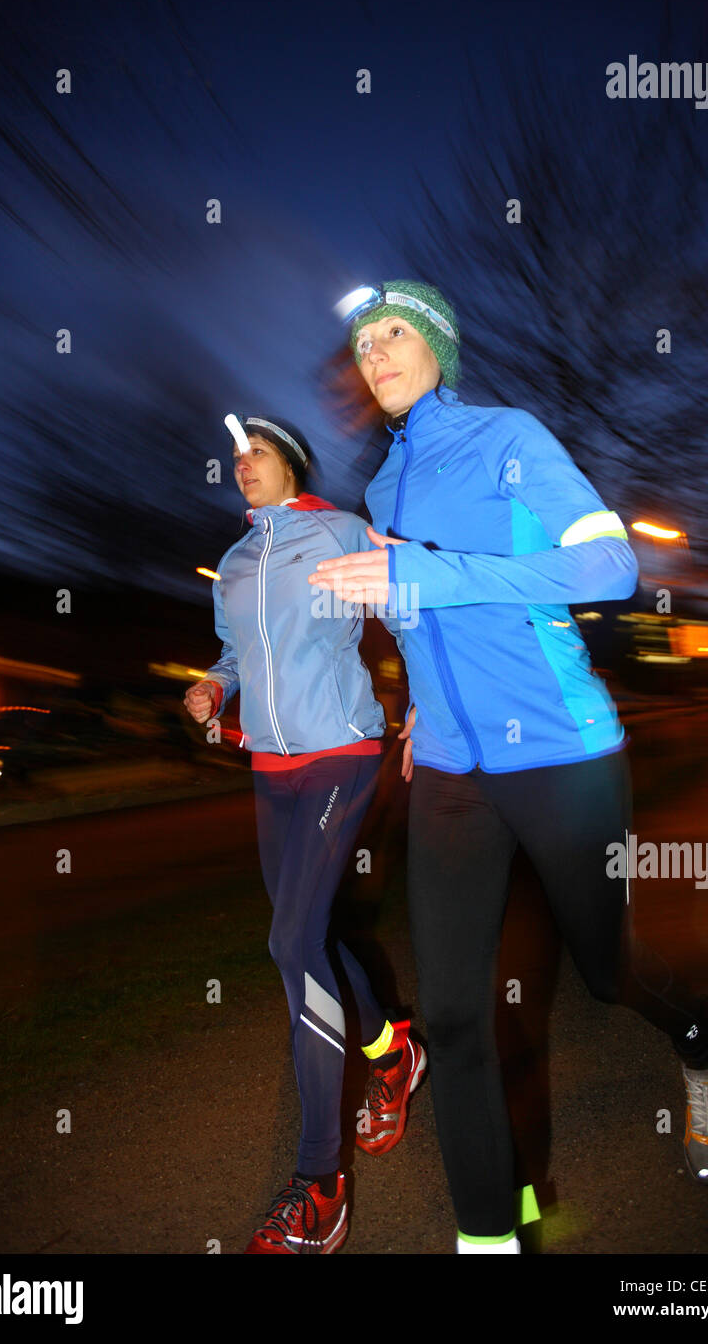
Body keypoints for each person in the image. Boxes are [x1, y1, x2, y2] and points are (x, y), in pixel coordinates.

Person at [310, 280, 708, 1255]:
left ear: (437, 346)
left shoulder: (507, 438)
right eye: (361, 342)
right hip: (456, 777)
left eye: (394, 333)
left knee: (605, 972)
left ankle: (700, 1039)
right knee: (457, 1020)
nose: (374, 353)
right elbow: (421, 613)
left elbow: (606, 567)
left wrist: (425, 574)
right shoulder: (378, 491)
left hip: (560, 751)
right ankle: (492, 1240)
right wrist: (421, 695)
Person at [184, 415, 426, 1255]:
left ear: (290, 463)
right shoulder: (237, 562)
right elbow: (231, 653)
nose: (241, 465)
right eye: (234, 458)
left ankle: (320, 1182)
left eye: (255, 453)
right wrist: (214, 690)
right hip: (270, 768)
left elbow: (402, 603)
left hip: (342, 751)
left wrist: (422, 698)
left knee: (290, 942)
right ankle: (394, 1053)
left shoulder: (337, 528)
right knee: (309, 935)